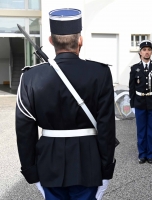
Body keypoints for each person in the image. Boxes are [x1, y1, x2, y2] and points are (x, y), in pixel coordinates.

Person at [15, 8, 116, 200]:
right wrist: (106, 168)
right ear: (80, 40)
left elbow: (24, 129)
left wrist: (30, 171)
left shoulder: (30, 77)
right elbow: (106, 126)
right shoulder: (100, 73)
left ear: (51, 41)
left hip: (48, 162)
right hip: (89, 162)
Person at [129, 40, 152, 164]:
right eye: (144, 50)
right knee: (141, 130)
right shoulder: (135, 69)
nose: (146, 52)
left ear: (151, 52)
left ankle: (151, 154)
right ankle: (142, 154)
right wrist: (132, 104)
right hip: (139, 103)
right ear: (140, 52)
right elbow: (132, 88)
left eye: (148, 49)